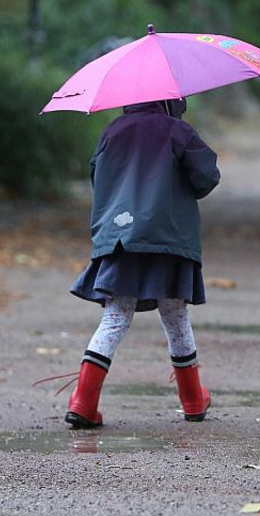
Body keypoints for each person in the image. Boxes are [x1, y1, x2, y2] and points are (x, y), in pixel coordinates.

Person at [64, 99, 220, 428]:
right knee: (175, 318)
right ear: (170, 100)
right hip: (169, 239)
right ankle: (193, 399)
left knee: (115, 318)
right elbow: (207, 178)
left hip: (121, 238)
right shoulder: (178, 131)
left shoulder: (112, 132)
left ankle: (83, 401)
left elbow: (98, 178)